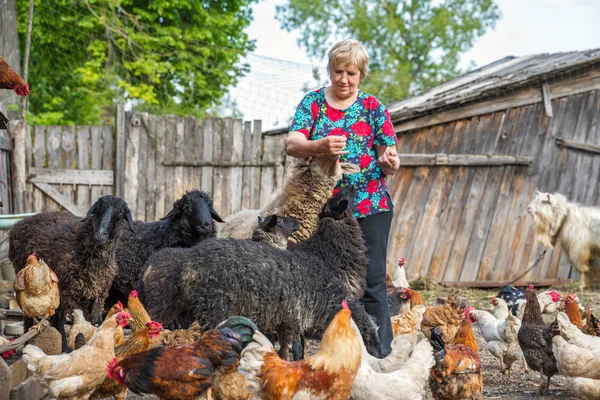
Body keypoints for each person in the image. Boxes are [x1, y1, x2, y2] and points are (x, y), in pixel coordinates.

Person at [286, 39, 400, 356]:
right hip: (322, 211)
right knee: (323, 280)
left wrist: (390, 163)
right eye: (338, 71)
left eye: (351, 73)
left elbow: (387, 158)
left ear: (361, 73)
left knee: (374, 282)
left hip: (370, 206)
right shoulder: (313, 104)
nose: (344, 79)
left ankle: (379, 355)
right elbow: (293, 143)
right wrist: (319, 146)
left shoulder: (374, 109)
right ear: (330, 71)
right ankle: (334, 353)